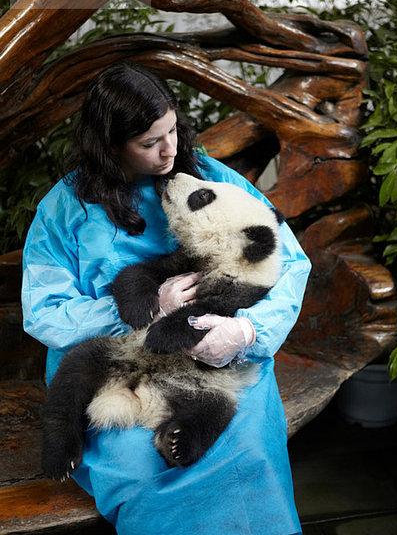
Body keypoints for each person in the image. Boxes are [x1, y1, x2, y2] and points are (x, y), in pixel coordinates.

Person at [22, 62, 311, 535]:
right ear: (111, 145)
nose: (169, 151)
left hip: (220, 359)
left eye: (173, 130)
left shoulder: (212, 178)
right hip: (118, 363)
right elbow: (44, 312)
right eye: (149, 142)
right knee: (141, 467)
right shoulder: (63, 208)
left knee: (246, 453)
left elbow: (289, 263)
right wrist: (149, 309)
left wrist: (247, 331)